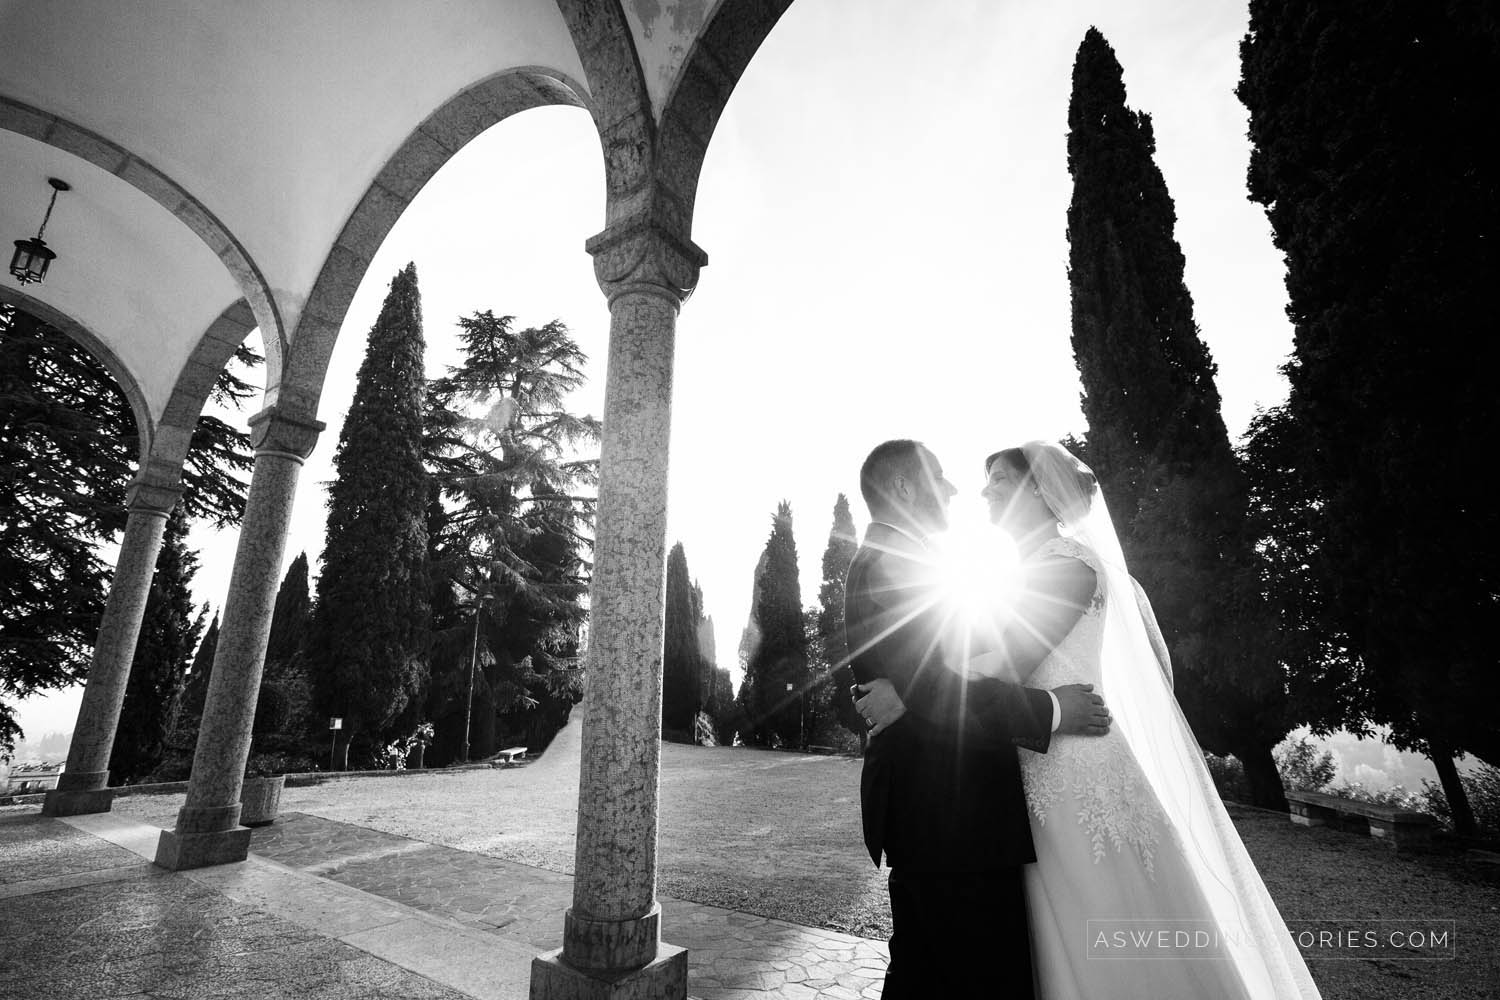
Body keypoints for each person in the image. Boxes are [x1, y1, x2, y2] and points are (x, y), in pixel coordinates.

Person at [859, 440, 1322, 999]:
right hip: (1033, 766)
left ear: (1038, 488)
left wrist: (906, 691)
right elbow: (953, 661)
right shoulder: (1016, 572)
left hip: (1075, 765)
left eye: (999, 479)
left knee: (1102, 910)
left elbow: (996, 663)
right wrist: (915, 684)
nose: (981, 490)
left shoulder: (1068, 568)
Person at [844, 439, 1111, 998]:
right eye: (938, 477)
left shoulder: (901, 561)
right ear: (903, 487)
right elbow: (944, 686)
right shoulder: (899, 565)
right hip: (952, 815)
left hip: (943, 815)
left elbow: (936, 672)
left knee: (928, 971)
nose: (954, 489)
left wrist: (903, 693)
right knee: (979, 974)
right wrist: (1055, 709)